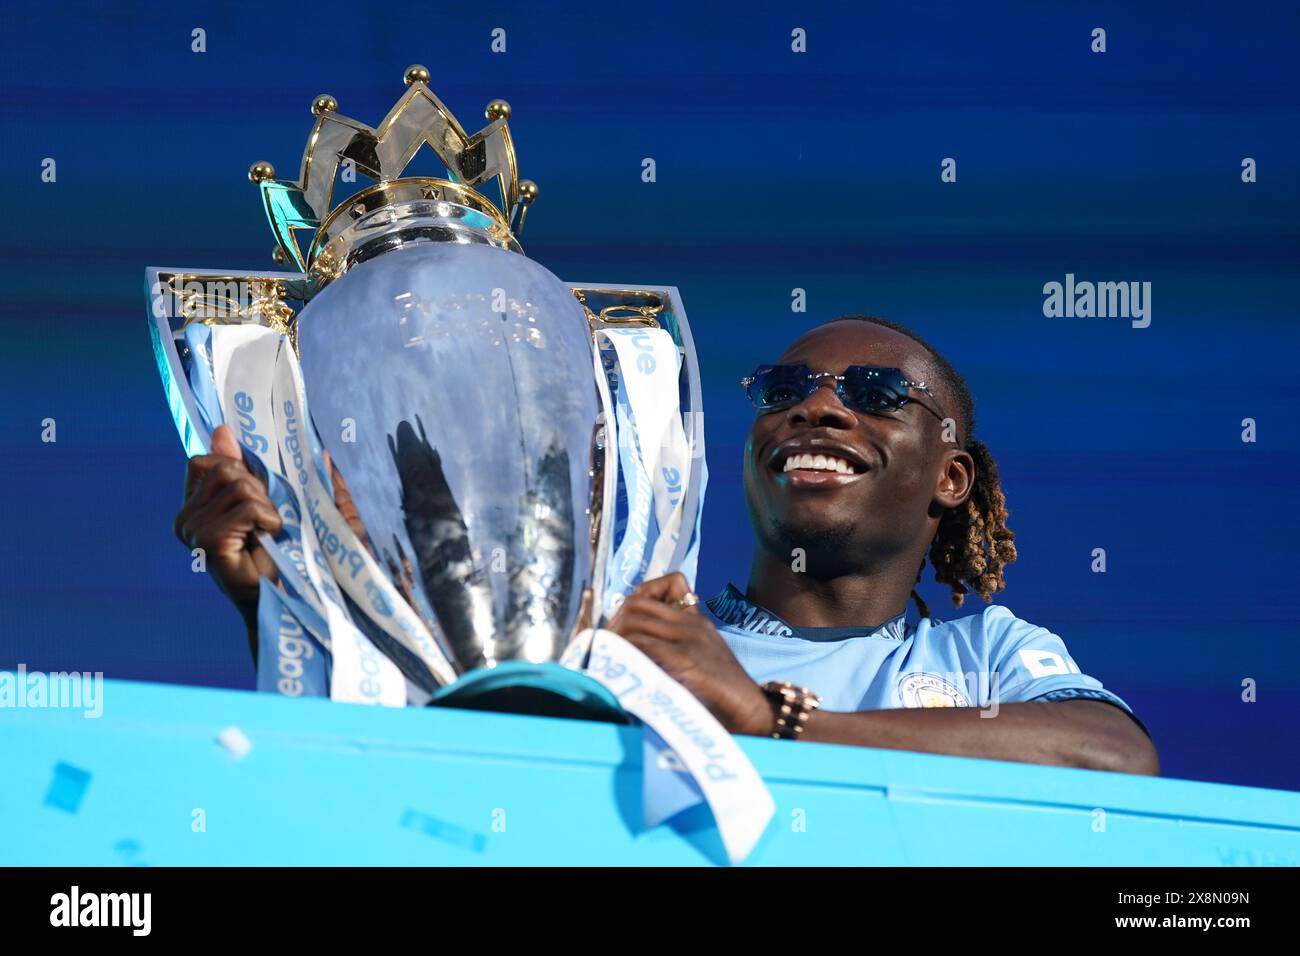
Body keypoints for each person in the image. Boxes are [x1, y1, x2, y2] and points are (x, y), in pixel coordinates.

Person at [175, 315, 1158, 774]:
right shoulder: (623, 631)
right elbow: (453, 758)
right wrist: (283, 599)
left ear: (951, 475)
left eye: (874, 394)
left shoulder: (980, 654)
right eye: (785, 388)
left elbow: (1111, 757)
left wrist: (770, 718)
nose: (817, 403)